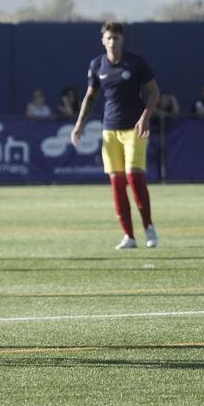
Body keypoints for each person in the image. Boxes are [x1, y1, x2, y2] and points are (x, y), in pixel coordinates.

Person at [71, 21, 159, 250]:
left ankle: (148, 227)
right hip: (109, 129)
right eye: (108, 38)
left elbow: (153, 92)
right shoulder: (97, 65)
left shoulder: (135, 62)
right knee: (116, 182)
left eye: (116, 38)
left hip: (135, 129)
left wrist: (145, 117)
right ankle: (128, 236)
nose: (112, 42)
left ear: (123, 40)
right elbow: (90, 96)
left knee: (134, 176)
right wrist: (79, 124)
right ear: (103, 41)